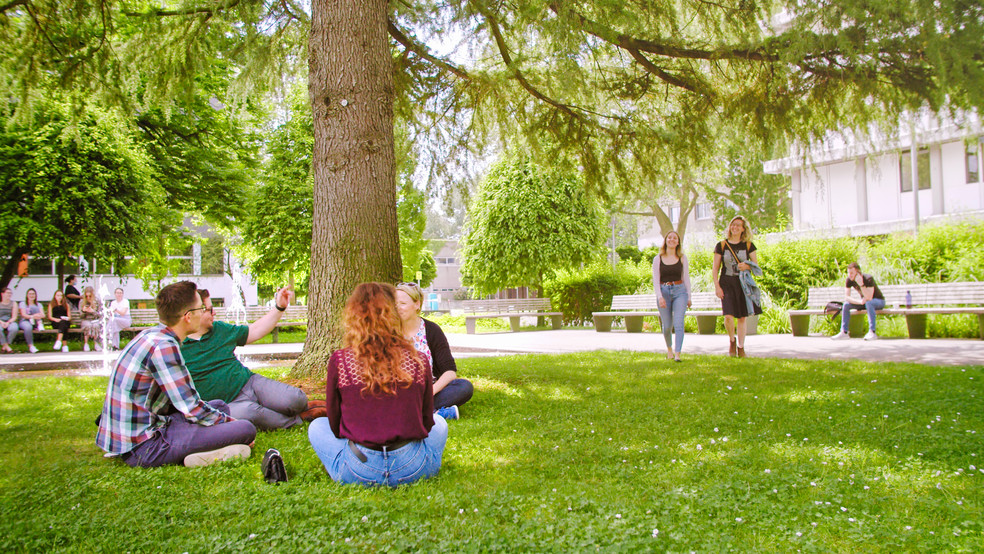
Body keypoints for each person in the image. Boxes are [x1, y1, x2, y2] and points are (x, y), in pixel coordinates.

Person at [95, 280, 256, 468]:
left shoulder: (152, 335)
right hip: (143, 446)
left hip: (143, 429)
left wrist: (224, 424)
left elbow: (185, 405)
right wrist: (231, 425)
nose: (206, 312)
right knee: (246, 428)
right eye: (201, 308)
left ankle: (210, 449)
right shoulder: (164, 347)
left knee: (220, 406)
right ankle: (207, 453)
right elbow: (192, 408)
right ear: (188, 316)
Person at [308, 282, 448, 487]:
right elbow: (427, 423)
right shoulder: (418, 359)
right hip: (412, 466)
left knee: (317, 426)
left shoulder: (341, 360)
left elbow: (335, 424)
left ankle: (343, 469)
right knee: (440, 423)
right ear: (393, 315)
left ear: (354, 317)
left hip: (360, 466)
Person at [182, 287, 310, 431]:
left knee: (296, 399)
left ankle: (301, 409)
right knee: (251, 412)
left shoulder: (220, 330)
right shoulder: (176, 346)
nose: (215, 313)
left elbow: (254, 330)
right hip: (227, 404)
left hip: (250, 383)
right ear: (196, 312)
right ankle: (300, 419)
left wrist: (279, 307)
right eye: (210, 309)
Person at [395, 281, 473, 419]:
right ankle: (435, 413)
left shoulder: (432, 330)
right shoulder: (388, 332)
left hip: (429, 391)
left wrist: (429, 392)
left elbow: (450, 372)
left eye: (402, 303)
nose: (397, 308)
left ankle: (413, 411)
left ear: (417, 304)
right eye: (395, 304)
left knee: (464, 387)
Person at [712, 215, 762, 358]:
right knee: (728, 316)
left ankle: (741, 347)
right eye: (733, 225)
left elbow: (756, 267)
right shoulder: (721, 245)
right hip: (726, 283)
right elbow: (715, 268)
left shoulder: (748, 245)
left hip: (742, 284)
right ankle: (732, 341)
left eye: (738, 225)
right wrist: (717, 287)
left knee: (741, 318)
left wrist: (747, 266)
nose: (735, 227)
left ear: (743, 229)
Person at [652, 231, 692, 362]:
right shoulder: (658, 258)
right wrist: (659, 297)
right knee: (667, 325)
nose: (672, 240)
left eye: (675, 238)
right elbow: (656, 279)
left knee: (679, 323)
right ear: (665, 240)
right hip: (664, 291)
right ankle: (669, 349)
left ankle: (678, 353)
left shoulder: (682, 258)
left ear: (678, 242)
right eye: (669, 237)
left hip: (680, 291)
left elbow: (686, 278)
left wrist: (689, 297)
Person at [831, 262, 886, 341]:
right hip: (865, 302)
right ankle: (844, 332)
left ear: (858, 272)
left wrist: (861, 284)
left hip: (878, 301)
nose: (850, 275)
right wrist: (859, 302)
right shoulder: (849, 280)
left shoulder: (868, 278)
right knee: (846, 305)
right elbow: (847, 297)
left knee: (869, 303)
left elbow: (869, 297)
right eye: (848, 273)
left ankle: (872, 332)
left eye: (852, 273)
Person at [18, 288, 44, 353]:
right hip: (25, 321)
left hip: (35, 321)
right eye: (30, 294)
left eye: (33, 294)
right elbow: (23, 315)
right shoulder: (23, 303)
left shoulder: (39, 304)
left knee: (35, 307)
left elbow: (43, 315)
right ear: (27, 295)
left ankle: (39, 324)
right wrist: (32, 316)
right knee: (28, 327)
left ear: (35, 295)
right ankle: (31, 346)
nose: (31, 295)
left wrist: (35, 316)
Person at [78, 286, 103, 352]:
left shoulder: (97, 301)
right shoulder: (82, 302)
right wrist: (84, 311)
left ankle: (96, 343)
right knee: (88, 325)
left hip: (95, 319)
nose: (88, 298)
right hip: (86, 319)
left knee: (95, 325)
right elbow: (80, 315)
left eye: (90, 296)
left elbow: (100, 314)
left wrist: (93, 311)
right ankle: (86, 344)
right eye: (86, 296)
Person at [0, 287, 19, 353]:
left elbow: (14, 316)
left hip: (10, 321)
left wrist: (8, 322)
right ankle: (7, 347)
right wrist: (1, 322)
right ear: (2, 294)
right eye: (8, 293)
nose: (9, 294)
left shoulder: (14, 303)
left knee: (14, 328)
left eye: (10, 293)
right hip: (0, 321)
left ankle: (5, 346)